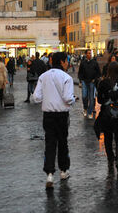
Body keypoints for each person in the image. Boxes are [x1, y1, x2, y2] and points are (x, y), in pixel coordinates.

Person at [32, 52, 75, 189]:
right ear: (62, 62)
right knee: (63, 143)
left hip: (48, 115)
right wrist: (73, 99)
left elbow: (36, 98)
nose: (68, 63)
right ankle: (63, 171)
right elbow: (68, 98)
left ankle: (49, 174)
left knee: (50, 143)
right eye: (67, 61)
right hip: (62, 115)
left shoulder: (43, 77)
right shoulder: (66, 77)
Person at [95, 61, 118, 173]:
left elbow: (99, 100)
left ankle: (110, 157)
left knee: (108, 137)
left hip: (106, 113)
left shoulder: (103, 82)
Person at [78, 49, 101, 119]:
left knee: (91, 98)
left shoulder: (94, 62)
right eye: (88, 53)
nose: (90, 55)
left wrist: (95, 79)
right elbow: (80, 72)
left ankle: (90, 112)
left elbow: (98, 73)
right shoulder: (83, 63)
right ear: (85, 54)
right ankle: (85, 108)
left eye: (90, 53)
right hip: (84, 81)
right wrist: (81, 80)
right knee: (84, 96)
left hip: (92, 82)